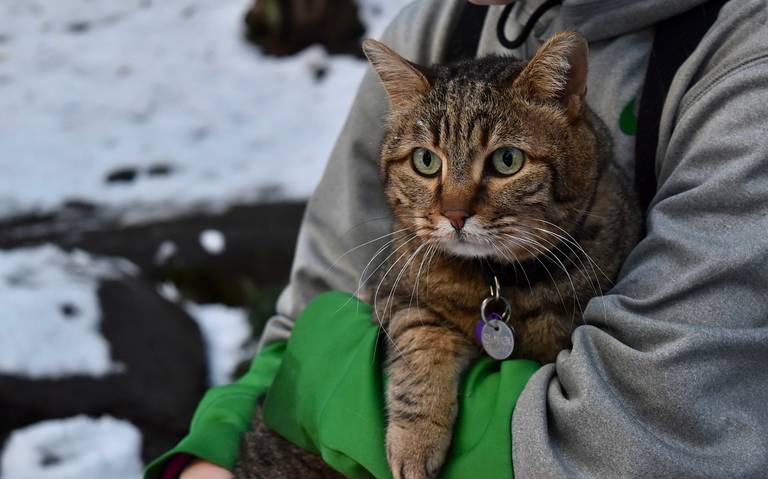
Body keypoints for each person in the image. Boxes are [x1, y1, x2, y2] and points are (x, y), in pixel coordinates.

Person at [147, 0, 768, 477]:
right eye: (426, 167)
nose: (455, 211)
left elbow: (641, 443)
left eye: (502, 165)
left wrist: (324, 376)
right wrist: (212, 448)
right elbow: (304, 320)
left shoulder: (745, 63)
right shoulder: (436, 26)